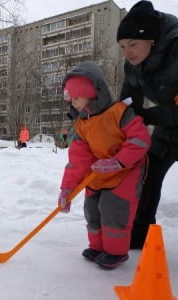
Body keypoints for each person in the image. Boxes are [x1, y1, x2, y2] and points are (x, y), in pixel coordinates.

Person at [58, 61, 151, 269]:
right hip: (99, 171)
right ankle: (98, 246)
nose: (73, 102)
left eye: (76, 97)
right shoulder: (82, 124)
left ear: (91, 91)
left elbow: (140, 140)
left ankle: (116, 252)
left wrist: (118, 162)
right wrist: (67, 189)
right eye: (70, 99)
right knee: (92, 207)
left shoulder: (119, 112)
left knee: (113, 207)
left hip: (128, 169)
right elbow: (78, 160)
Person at [116, 0, 178, 249]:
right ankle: (140, 233)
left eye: (132, 44)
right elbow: (128, 102)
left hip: (165, 119)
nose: (127, 52)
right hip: (166, 131)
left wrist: (147, 116)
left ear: (151, 39)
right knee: (147, 175)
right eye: (122, 46)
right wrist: (121, 121)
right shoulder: (132, 67)